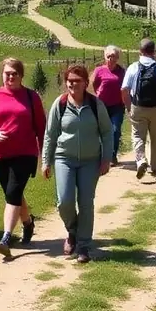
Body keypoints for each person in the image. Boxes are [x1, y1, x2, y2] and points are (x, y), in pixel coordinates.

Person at [42, 64, 113, 264]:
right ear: (66, 82)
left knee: (86, 203)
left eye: (77, 80)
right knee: (64, 201)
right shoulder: (61, 103)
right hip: (64, 158)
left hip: (91, 161)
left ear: (85, 83)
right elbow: (50, 134)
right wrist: (46, 161)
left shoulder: (95, 105)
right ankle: (72, 230)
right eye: (70, 80)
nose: (73, 84)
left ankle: (83, 245)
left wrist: (106, 158)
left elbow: (107, 133)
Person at [0, 57, 47, 258]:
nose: (10, 77)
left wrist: (45, 155)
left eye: (14, 73)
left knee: (13, 192)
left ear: (21, 75)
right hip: (0, 155)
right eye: (7, 73)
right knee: (13, 195)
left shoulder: (31, 97)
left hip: (25, 153)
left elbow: (41, 128)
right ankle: (27, 223)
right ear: (2, 74)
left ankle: (6, 238)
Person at [121, 38, 156, 179]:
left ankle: (141, 160)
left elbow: (124, 90)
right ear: (154, 52)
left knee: (138, 136)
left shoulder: (133, 67)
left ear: (140, 52)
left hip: (138, 107)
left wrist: (128, 107)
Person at [90, 45, 126, 164]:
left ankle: (112, 155)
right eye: (108, 56)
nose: (111, 59)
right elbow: (94, 84)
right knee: (102, 131)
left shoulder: (122, 71)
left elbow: (126, 87)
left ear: (117, 58)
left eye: (114, 56)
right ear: (105, 57)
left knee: (115, 130)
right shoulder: (99, 70)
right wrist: (99, 93)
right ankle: (101, 155)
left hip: (117, 106)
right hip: (102, 106)